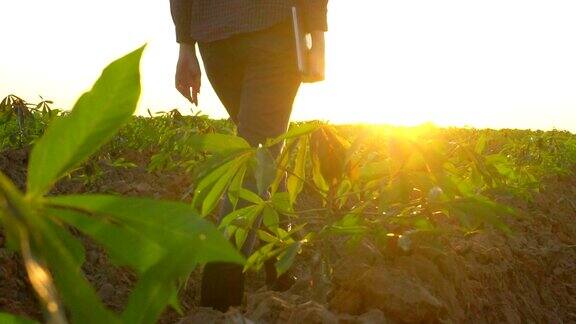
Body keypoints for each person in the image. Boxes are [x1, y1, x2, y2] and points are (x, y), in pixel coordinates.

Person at [169, 0, 328, 312]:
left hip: (214, 39)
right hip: (272, 28)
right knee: (256, 158)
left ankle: (280, 270)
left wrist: (185, 44)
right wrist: (317, 36)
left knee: (260, 150)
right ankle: (217, 301)